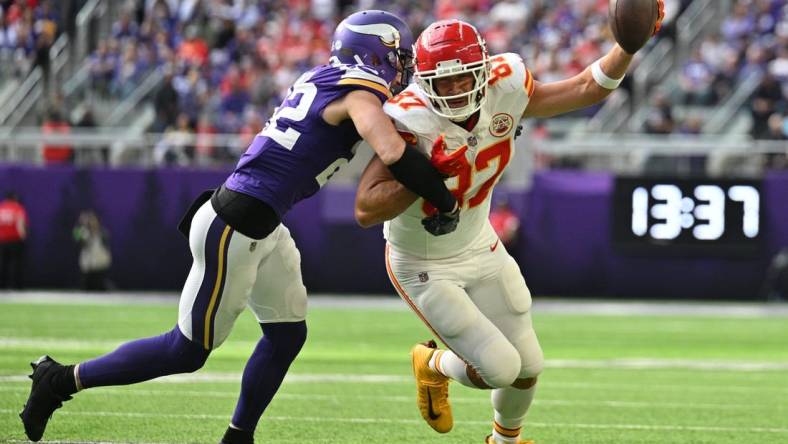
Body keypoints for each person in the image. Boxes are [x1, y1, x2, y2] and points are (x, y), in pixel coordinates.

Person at [20, 10, 460, 444]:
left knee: (288, 334)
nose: (404, 68)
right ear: (374, 53)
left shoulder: (324, 78)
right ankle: (59, 380)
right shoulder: (358, 92)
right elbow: (392, 152)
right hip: (236, 224)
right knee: (185, 351)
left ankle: (238, 436)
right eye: (399, 57)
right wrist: (444, 200)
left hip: (261, 223)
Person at [354, 9, 664, 444]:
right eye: (446, 82)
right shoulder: (408, 119)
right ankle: (433, 364)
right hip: (424, 262)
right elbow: (366, 209)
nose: (458, 89)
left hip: (479, 242)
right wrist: (421, 175)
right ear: (425, 83)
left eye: (466, 77)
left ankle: (505, 441)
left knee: (529, 365)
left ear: (484, 68)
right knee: (498, 368)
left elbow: (585, 87)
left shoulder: (506, 85)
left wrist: (627, 48)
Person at [73, 210, 113, 291]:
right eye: (89, 221)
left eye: (93, 220)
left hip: (100, 266)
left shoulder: (102, 233)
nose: (91, 223)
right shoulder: (83, 232)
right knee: (86, 288)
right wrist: (81, 224)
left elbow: (106, 247)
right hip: (88, 267)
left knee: (101, 287)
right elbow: (77, 238)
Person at [0, 192, 28, 289]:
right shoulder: (17, 208)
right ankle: (16, 286)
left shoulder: (1, 208)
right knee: (16, 264)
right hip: (15, 240)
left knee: (2, 264)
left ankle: (2, 286)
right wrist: (23, 236)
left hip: (2, 241)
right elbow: (20, 223)